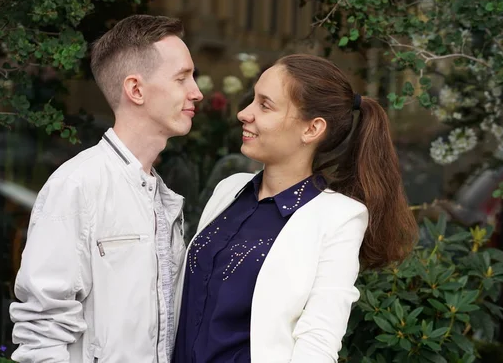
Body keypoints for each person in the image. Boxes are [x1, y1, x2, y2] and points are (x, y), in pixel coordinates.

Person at [172, 54, 417, 362]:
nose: (244, 114)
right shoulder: (230, 189)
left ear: (312, 129)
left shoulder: (338, 218)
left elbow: (318, 342)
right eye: (252, 100)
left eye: (265, 105)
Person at [9, 15, 203, 363]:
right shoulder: (78, 185)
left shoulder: (159, 194)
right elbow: (42, 330)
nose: (196, 92)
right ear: (136, 89)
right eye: (181, 78)